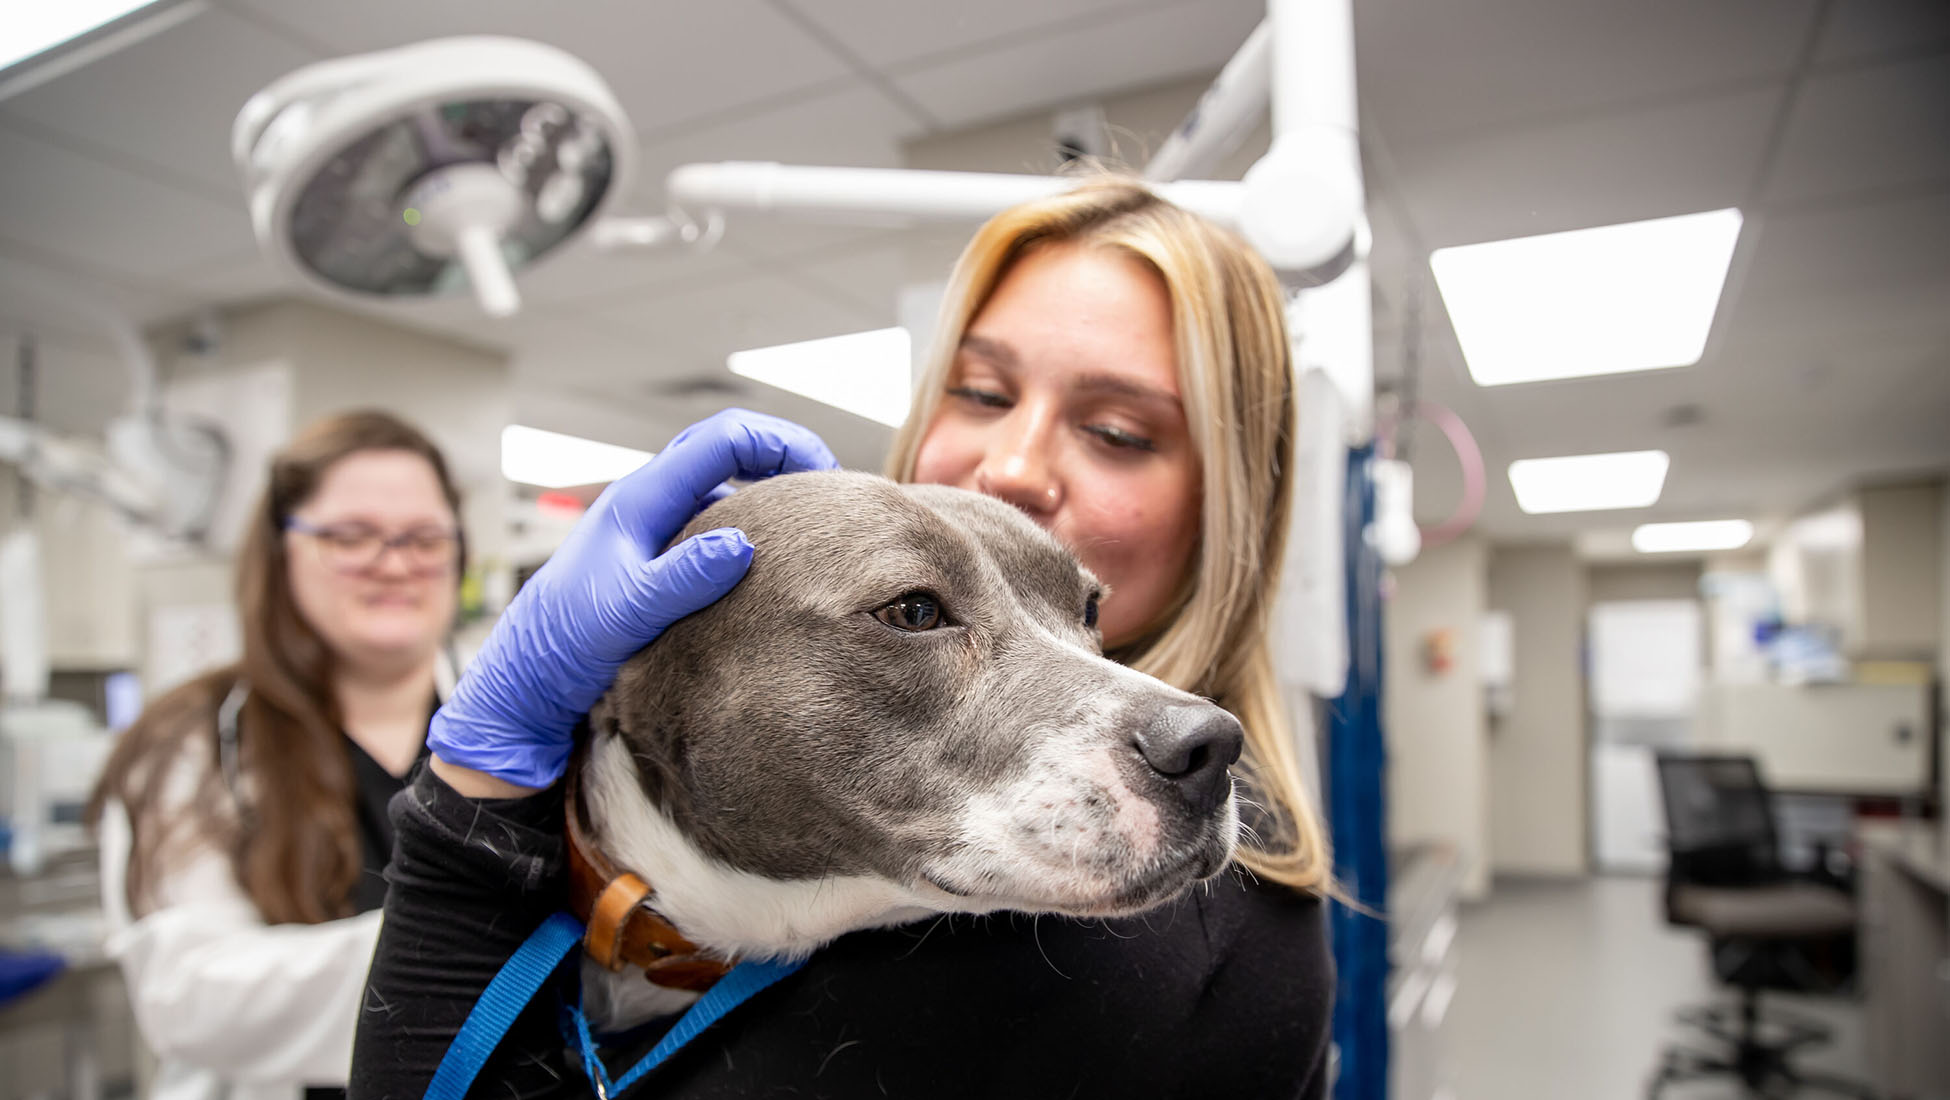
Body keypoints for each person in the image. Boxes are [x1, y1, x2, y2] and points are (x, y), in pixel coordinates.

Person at [351, 177, 1334, 1099]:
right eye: (983, 392)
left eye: (1118, 429)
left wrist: (464, 813)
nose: (1013, 464)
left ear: (1229, 504)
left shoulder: (1164, 954)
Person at [90, 410, 467, 1100]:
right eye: (352, 535)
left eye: (424, 537)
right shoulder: (191, 742)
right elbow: (187, 998)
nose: (395, 561)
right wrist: (458, 947)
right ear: (281, 549)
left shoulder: (526, 730)